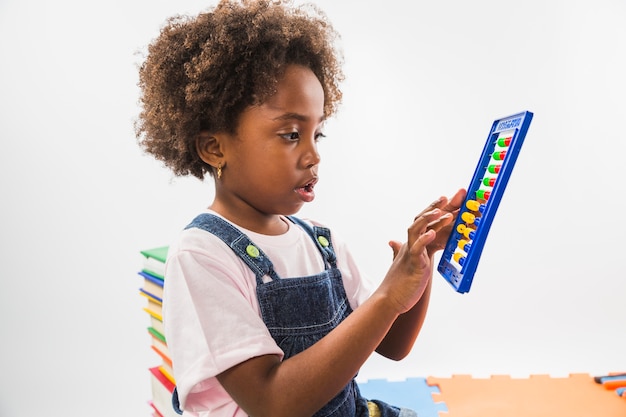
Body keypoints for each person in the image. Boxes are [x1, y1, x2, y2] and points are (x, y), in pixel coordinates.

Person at [135, 1, 465, 416]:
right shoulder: (201, 255)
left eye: (317, 134)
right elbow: (273, 404)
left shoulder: (321, 242)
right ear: (214, 147)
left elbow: (393, 345)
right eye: (291, 134)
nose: (313, 155)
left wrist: (420, 261)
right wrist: (386, 296)